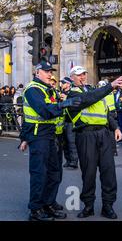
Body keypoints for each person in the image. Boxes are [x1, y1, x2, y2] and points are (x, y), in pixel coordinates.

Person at [18, 61, 82, 221]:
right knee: (40, 173)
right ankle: (36, 209)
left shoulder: (49, 89)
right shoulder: (33, 89)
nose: (50, 74)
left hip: (52, 135)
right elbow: (45, 111)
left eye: (50, 71)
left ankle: (48, 203)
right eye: (46, 71)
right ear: (37, 72)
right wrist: (64, 104)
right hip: (39, 135)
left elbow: (54, 110)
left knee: (55, 173)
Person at [65, 66, 122, 219]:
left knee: (109, 172)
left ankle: (108, 206)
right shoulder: (72, 94)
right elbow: (88, 100)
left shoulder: (93, 90)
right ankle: (88, 206)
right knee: (89, 173)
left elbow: (105, 112)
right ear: (72, 77)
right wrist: (109, 86)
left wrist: (116, 128)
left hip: (103, 134)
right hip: (86, 135)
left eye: (84, 74)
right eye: (79, 75)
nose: (83, 77)